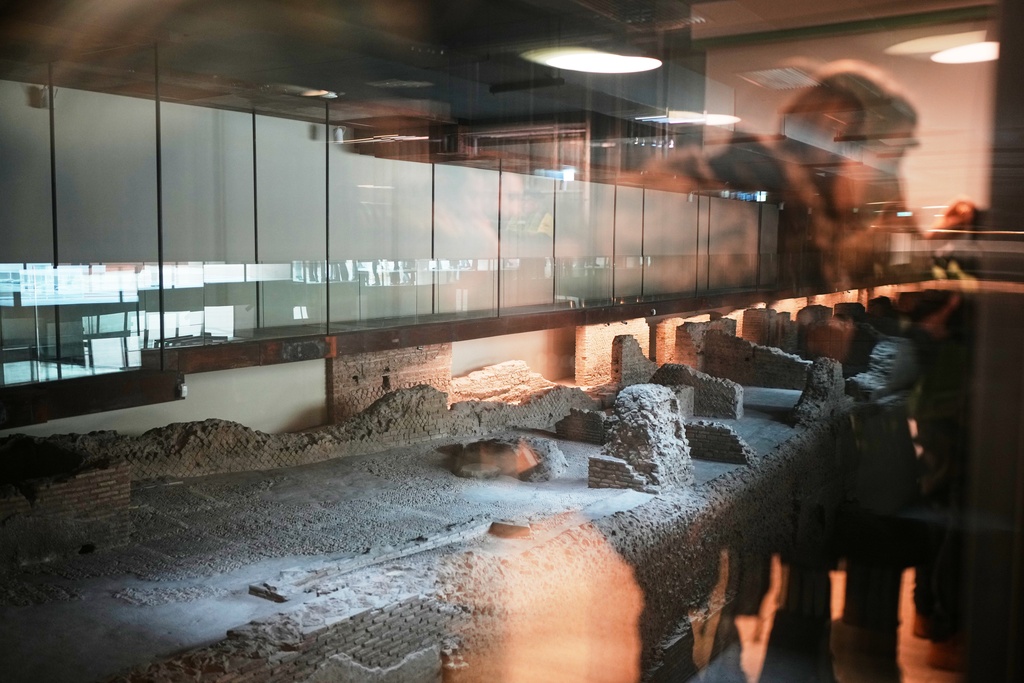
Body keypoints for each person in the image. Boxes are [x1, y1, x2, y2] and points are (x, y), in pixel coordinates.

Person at [648, 60, 919, 292]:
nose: (892, 183)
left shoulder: (807, 223)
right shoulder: (752, 212)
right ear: (838, 132)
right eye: (888, 158)